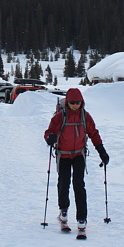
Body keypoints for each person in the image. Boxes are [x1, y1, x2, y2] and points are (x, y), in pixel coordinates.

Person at [44, 87, 109, 238]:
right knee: (64, 183)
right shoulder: (60, 117)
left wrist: (102, 152)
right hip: (64, 155)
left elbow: (94, 134)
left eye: (78, 102)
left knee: (79, 185)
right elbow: (49, 132)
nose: (75, 105)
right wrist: (50, 138)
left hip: (79, 154)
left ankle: (81, 219)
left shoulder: (85, 117)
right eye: (72, 102)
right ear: (67, 102)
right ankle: (64, 211)